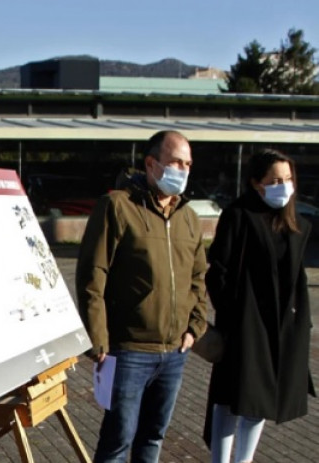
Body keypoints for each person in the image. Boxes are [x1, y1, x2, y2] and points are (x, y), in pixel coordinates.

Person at [76, 130, 208, 462]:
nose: (184, 170)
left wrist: (195, 327)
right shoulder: (117, 207)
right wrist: (98, 339)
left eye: (188, 164)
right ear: (151, 164)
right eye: (176, 162)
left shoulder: (188, 218)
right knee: (118, 441)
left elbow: (198, 277)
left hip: (174, 352)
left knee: (152, 438)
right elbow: (93, 274)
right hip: (128, 349)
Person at [203, 149, 315, 463]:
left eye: (288, 179)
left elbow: (297, 277)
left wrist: (300, 322)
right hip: (245, 325)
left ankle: (244, 459)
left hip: (283, 327)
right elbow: (218, 271)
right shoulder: (239, 216)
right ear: (256, 183)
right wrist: (233, 313)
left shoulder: (296, 224)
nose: (284, 186)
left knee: (263, 398)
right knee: (230, 396)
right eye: (275, 180)